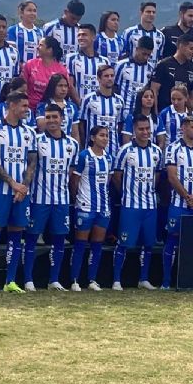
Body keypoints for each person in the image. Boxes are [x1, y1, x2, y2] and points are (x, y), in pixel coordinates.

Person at [0, 91, 36, 295]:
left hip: (21, 193)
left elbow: (32, 162)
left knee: (16, 235)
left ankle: (10, 281)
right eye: (23, 105)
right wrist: (13, 183)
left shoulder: (29, 132)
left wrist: (24, 186)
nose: (26, 109)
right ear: (11, 106)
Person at [25, 104, 79, 291]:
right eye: (48, 117)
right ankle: (28, 279)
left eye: (55, 117)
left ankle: (54, 280)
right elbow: (30, 168)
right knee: (31, 238)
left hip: (61, 200)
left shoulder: (72, 144)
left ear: (62, 118)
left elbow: (71, 172)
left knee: (59, 239)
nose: (51, 121)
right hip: (39, 200)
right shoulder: (37, 140)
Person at [112, 115, 164, 290]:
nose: (145, 132)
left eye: (147, 129)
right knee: (124, 243)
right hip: (130, 205)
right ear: (134, 130)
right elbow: (117, 177)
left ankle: (143, 279)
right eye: (141, 129)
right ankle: (117, 280)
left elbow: (157, 175)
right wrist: (126, 193)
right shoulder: (125, 150)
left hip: (150, 206)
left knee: (148, 244)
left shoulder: (157, 151)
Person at [163, 116, 193, 289]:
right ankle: (166, 282)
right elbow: (171, 177)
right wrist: (187, 196)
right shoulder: (173, 149)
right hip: (178, 204)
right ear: (183, 128)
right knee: (172, 240)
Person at [68, 125, 114, 292]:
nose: (105, 139)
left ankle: (92, 279)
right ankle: (74, 280)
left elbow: (108, 181)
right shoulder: (84, 156)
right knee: (80, 244)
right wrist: (78, 199)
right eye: (102, 135)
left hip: (103, 207)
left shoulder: (109, 158)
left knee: (97, 244)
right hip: (85, 206)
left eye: (107, 136)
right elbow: (74, 181)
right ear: (93, 138)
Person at [77, 64, 125, 160]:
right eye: (106, 76)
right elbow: (81, 124)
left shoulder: (119, 100)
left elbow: (120, 125)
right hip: (92, 149)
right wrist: (85, 143)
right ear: (99, 78)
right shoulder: (88, 99)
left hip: (113, 149)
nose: (110, 78)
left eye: (112, 75)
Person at [150, 32, 193, 111]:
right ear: (181, 46)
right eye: (191, 49)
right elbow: (154, 90)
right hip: (164, 113)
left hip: (183, 117)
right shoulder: (163, 65)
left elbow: (192, 96)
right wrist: (155, 113)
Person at [66, 23, 111, 103]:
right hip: (78, 105)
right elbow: (70, 85)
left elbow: (107, 84)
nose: (81, 38)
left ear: (93, 37)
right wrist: (80, 104)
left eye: (84, 35)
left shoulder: (104, 61)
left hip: (98, 106)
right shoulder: (71, 58)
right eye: (79, 35)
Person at [22, 36, 70, 104]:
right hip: (30, 108)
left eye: (41, 45)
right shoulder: (30, 64)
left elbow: (65, 91)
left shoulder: (61, 70)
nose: (37, 47)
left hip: (51, 109)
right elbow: (22, 87)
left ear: (49, 49)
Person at [114, 35, 154, 110]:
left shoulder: (151, 68)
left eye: (148, 55)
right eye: (144, 54)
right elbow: (114, 86)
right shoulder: (121, 65)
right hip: (124, 110)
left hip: (141, 113)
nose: (146, 57)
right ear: (137, 49)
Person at [36, 73, 80, 141]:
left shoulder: (72, 107)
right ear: (52, 87)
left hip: (67, 146)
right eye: (60, 86)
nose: (63, 89)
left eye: (66, 86)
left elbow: (75, 133)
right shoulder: (43, 106)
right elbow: (41, 127)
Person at [123, 1, 165, 68]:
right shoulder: (129, 32)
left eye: (153, 12)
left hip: (151, 73)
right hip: (132, 72)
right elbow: (124, 54)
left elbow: (159, 57)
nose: (151, 14)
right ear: (141, 13)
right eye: (148, 12)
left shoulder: (160, 35)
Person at [156, 85, 193, 151]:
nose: (176, 102)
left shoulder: (192, 114)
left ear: (186, 98)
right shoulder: (165, 113)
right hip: (169, 152)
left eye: (179, 99)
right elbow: (160, 136)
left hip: (186, 152)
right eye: (173, 99)